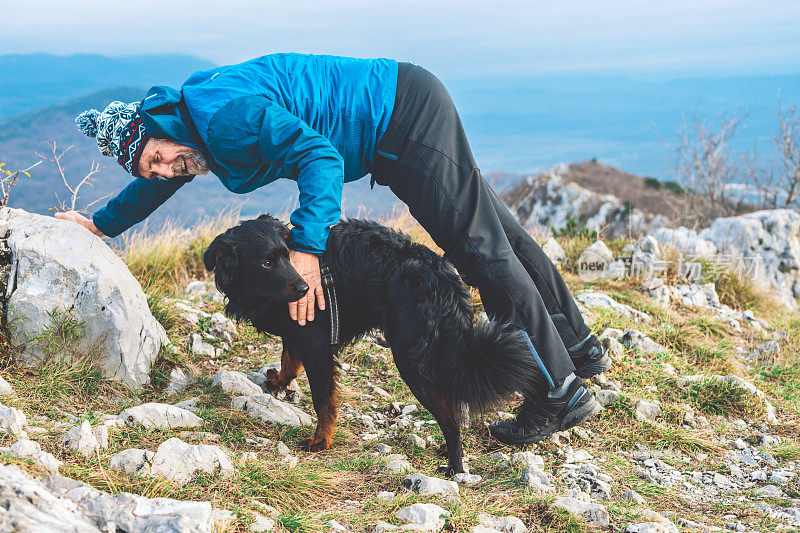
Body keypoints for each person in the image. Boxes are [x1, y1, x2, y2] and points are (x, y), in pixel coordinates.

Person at [58, 53, 610, 444]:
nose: (162, 169)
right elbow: (161, 178)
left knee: (481, 252)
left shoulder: (222, 122)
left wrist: (306, 247)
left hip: (400, 124)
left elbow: (320, 157)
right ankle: (576, 348)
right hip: (405, 105)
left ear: (155, 126)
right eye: (148, 166)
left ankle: (558, 392)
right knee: (499, 235)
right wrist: (101, 224)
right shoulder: (190, 119)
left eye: (155, 154)